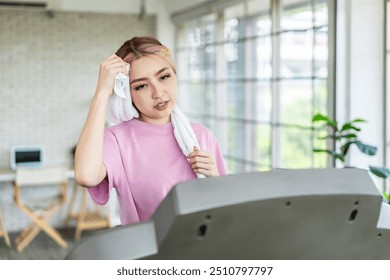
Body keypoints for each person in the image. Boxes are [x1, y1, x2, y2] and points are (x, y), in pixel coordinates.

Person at [74, 36, 227, 225]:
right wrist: (102, 92)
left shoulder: (202, 136)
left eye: (164, 77)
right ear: (127, 94)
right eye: (141, 86)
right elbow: (86, 175)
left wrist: (215, 179)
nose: (158, 93)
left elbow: (225, 211)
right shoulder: (117, 140)